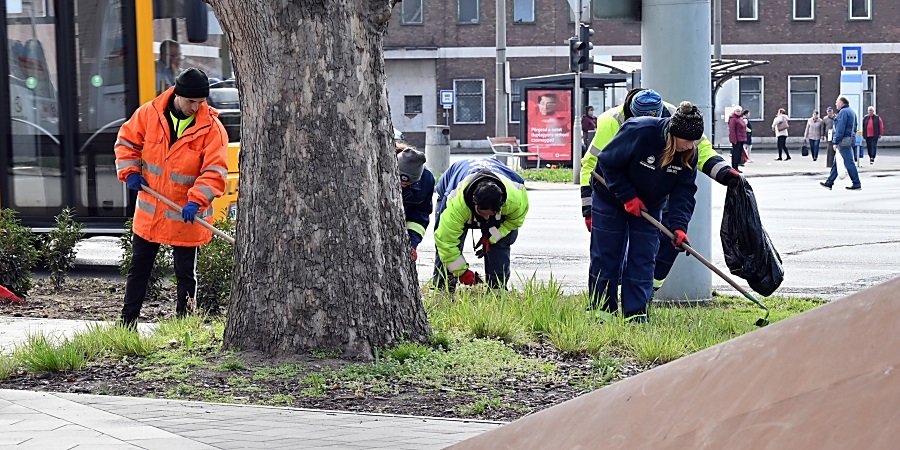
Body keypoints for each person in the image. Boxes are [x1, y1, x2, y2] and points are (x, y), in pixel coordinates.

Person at [578, 88, 741, 293]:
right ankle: (604, 308)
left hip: (652, 195)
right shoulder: (613, 121)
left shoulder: (680, 122)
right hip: (612, 193)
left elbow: (700, 154)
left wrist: (725, 173)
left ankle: (641, 300)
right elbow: (594, 164)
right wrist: (589, 208)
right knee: (607, 254)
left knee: (647, 254)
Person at [115, 68, 229, 327]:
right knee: (139, 271)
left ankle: (184, 325)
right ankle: (126, 324)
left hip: (186, 216)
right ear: (178, 94)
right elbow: (126, 141)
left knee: (185, 275)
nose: (196, 107)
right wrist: (130, 171)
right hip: (151, 211)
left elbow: (215, 171)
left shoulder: (213, 129)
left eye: (201, 102)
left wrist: (197, 200)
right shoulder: (149, 114)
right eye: (192, 101)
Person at [588, 101, 702, 323]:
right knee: (607, 255)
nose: (690, 146)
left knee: (643, 257)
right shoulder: (640, 131)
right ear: (673, 134)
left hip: (651, 204)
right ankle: (602, 313)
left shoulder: (689, 154)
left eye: (694, 141)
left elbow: (684, 192)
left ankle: (636, 314)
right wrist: (627, 196)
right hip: (610, 196)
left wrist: (679, 226)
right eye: (687, 140)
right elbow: (608, 163)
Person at [432, 158, 528, 290]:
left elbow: (514, 221)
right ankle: (443, 287)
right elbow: (446, 242)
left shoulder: (514, 199)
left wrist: (492, 237)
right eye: (482, 213)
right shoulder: (455, 204)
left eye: (491, 214)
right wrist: (461, 272)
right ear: (474, 203)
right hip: (452, 187)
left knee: (501, 242)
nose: (486, 218)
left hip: (497, 179)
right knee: (449, 243)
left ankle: (497, 288)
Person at [397, 145, 434, 261]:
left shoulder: (426, 181)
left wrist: (411, 244)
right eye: (400, 180)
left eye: (409, 183)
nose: (404, 185)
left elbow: (420, 217)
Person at [820, 96, 861, 191]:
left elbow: (840, 128)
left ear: (842, 103)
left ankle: (856, 183)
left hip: (843, 141)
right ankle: (829, 182)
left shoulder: (843, 112)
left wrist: (836, 141)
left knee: (849, 162)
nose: (835, 104)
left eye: (837, 102)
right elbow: (854, 127)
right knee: (836, 162)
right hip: (849, 139)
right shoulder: (851, 112)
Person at [727, 105, 746, 171]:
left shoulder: (740, 118)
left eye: (740, 111)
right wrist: (733, 140)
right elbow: (732, 130)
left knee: (738, 153)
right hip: (737, 139)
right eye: (737, 111)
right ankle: (734, 167)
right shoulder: (733, 119)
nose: (739, 112)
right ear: (734, 111)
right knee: (735, 153)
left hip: (741, 138)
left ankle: (736, 167)